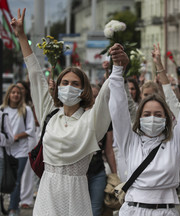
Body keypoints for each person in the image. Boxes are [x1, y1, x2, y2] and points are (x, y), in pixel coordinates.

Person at [11, 8, 114, 215]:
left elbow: (105, 97)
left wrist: (115, 70)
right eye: (64, 82)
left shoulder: (90, 121)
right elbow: (35, 73)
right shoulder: (50, 114)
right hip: (47, 192)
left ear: (83, 89)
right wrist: (22, 36)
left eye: (75, 84)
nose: (69, 87)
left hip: (76, 195)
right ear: (57, 87)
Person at [108, 44, 180, 215]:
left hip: (165, 211)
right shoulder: (130, 142)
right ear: (139, 118)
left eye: (158, 114)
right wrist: (117, 69)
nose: (152, 118)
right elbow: (117, 108)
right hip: (133, 210)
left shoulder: (176, 142)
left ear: (166, 119)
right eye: (147, 114)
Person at [1, 84, 35, 216]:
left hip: (21, 150)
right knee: (5, 178)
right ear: (8, 94)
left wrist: (17, 136)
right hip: (6, 150)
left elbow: (30, 130)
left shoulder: (26, 110)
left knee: (16, 178)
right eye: (13, 92)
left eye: (18, 93)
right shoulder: (2, 110)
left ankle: (13, 208)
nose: (16, 95)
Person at [87, 84, 117, 216]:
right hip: (78, 174)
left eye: (97, 97)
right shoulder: (77, 117)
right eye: (91, 96)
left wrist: (115, 176)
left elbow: (108, 150)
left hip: (97, 171)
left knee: (96, 210)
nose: (94, 100)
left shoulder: (105, 119)